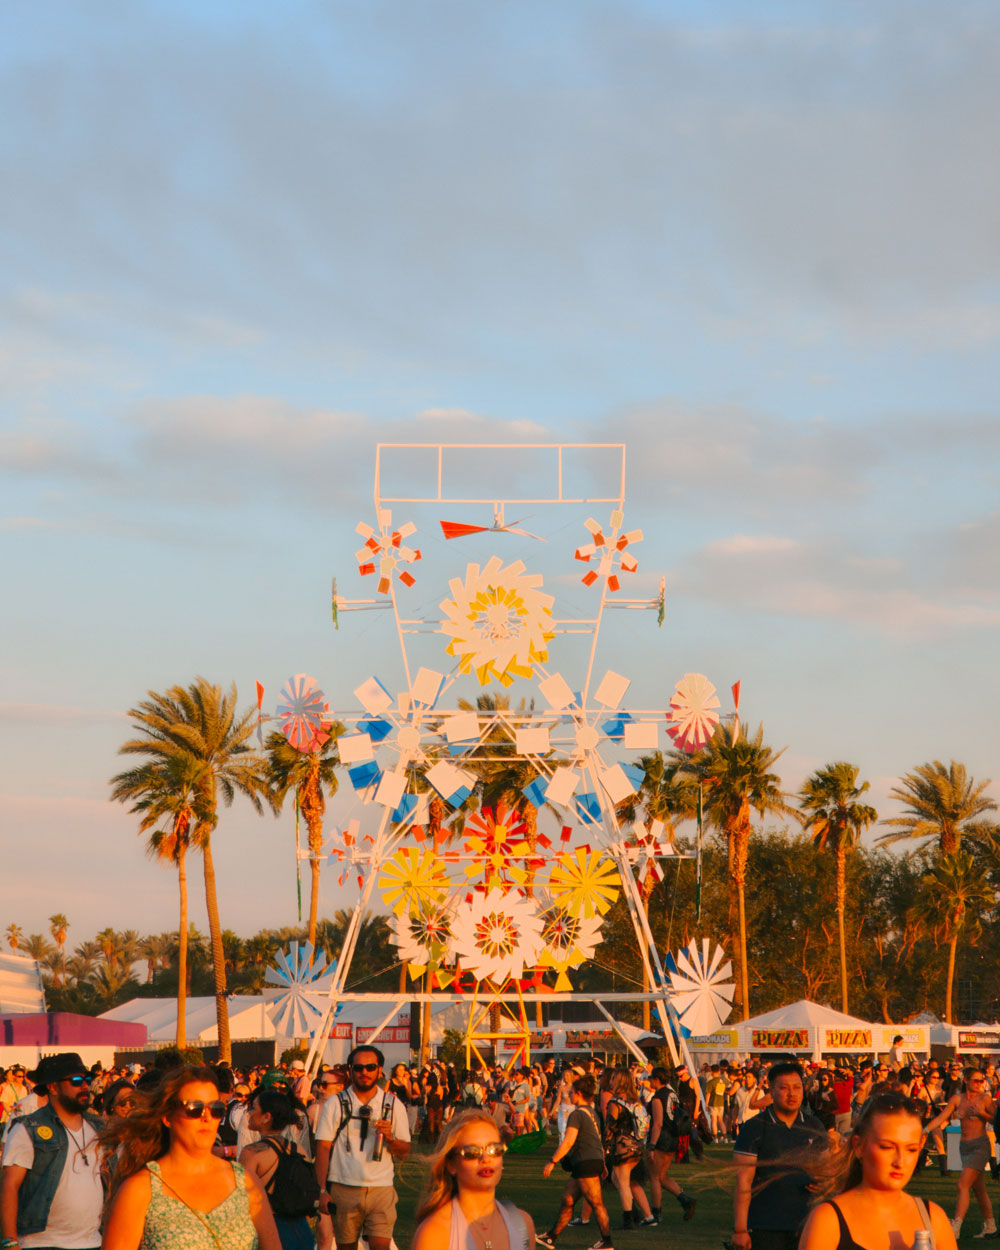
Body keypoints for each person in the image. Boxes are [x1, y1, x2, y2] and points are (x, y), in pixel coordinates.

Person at [102, 1063, 280, 1250]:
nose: (206, 1117)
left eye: (216, 1109)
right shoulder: (140, 1190)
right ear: (167, 1117)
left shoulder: (245, 1182)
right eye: (194, 1108)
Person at [799, 1088, 957, 1250]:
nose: (900, 1161)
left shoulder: (933, 1218)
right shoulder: (827, 1220)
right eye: (887, 1147)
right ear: (858, 1146)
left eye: (911, 1149)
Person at [0, 1052, 104, 1250]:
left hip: (92, 1242)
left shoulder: (98, 1127)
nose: (84, 1086)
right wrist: (9, 1241)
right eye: (75, 1080)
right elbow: (9, 1185)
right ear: (53, 1087)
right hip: (42, 1243)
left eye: (87, 1079)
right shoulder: (27, 1128)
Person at [313, 1044, 410, 1250]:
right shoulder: (336, 1104)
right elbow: (322, 1147)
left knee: (381, 1245)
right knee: (345, 1246)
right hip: (343, 1187)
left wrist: (390, 1138)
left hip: (381, 1188)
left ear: (380, 1070)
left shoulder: (393, 1105)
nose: (364, 1072)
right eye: (358, 1068)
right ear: (350, 1070)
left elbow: (405, 1152)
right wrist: (321, 1189)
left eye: (370, 1067)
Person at [732, 1059, 825, 1250]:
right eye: (784, 1088)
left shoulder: (814, 1126)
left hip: (808, 1224)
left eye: (797, 1087)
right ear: (771, 1091)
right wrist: (740, 1230)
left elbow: (826, 1169)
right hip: (765, 1225)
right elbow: (743, 1182)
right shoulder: (754, 1128)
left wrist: (822, 1181)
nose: (792, 1093)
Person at [412, 1109, 534, 1249]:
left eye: (494, 1149)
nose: (485, 1159)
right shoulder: (435, 1232)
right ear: (451, 1164)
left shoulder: (522, 1224)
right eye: (472, 1152)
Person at [536, 1074, 612, 1250]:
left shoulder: (577, 1114)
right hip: (588, 1161)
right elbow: (597, 1139)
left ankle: (607, 1242)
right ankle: (551, 1237)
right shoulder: (592, 1112)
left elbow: (569, 1141)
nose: (569, 1095)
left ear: (578, 1093)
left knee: (596, 1203)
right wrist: (603, 1162)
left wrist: (552, 1161)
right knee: (567, 1199)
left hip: (586, 1162)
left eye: (571, 1092)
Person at [924, 1066, 998, 1238]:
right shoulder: (958, 1098)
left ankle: (956, 1225)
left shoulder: (985, 1099)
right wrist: (924, 1131)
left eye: (982, 1080)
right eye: (976, 1080)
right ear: (966, 1080)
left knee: (962, 1185)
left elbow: (997, 1120)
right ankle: (991, 1226)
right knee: (979, 1189)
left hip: (980, 1145)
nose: (980, 1084)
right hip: (964, 1147)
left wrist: (982, 1114)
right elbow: (942, 1118)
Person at [239, 1089, 315, 1250]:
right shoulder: (299, 1150)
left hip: (270, 1230)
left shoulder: (252, 1153)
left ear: (266, 1117)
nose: (249, 1114)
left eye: (253, 1108)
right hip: (301, 1230)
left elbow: (242, 1199)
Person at [603, 1071, 655, 1229]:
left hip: (623, 1147)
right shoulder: (635, 1101)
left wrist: (604, 1147)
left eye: (613, 1078)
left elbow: (610, 1127)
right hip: (637, 1146)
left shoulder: (615, 1102)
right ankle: (643, 1215)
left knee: (623, 1182)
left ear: (618, 1081)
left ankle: (629, 1219)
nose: (610, 1081)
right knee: (617, 1178)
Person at [645, 1067, 696, 1224]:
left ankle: (656, 1213)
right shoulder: (672, 1093)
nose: (650, 1080)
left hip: (662, 1139)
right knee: (661, 1176)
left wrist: (652, 1145)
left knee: (654, 1177)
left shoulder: (657, 1097)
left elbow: (658, 1123)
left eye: (652, 1078)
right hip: (674, 1137)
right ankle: (685, 1200)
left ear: (657, 1079)